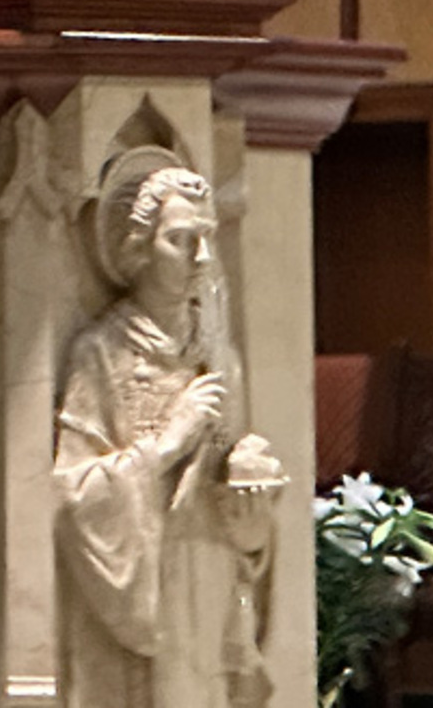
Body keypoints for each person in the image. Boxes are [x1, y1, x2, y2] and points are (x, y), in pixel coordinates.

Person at [53, 149, 281, 708]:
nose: (202, 257)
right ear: (137, 249)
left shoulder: (220, 357)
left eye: (208, 238)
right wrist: (167, 444)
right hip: (148, 583)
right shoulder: (101, 353)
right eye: (181, 240)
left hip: (211, 582)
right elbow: (74, 494)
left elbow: (234, 491)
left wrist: (252, 523)